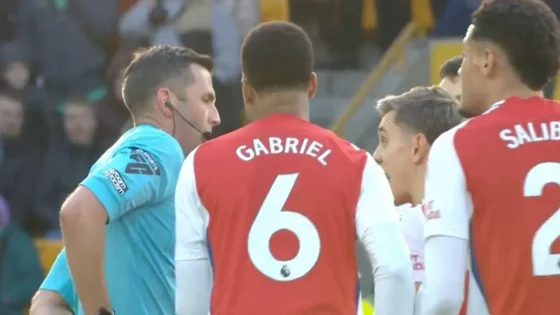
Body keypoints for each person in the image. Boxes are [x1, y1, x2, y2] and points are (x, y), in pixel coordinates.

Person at [174, 21, 414, 315]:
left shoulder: (200, 165)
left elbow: (191, 290)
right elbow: (396, 270)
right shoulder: (358, 165)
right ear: (312, 85)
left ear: (246, 90)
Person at [29, 45, 220, 315]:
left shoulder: (111, 176)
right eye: (206, 100)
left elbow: (48, 301)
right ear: (167, 101)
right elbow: (78, 212)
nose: (216, 116)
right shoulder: (160, 146)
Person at [420, 1, 560, 314]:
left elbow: (444, 295)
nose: (460, 69)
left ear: (487, 60)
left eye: (465, 56)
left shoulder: (457, 144)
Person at [372, 86, 462, 288]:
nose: (376, 156)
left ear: (417, 147)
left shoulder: (409, 225)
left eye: (384, 140)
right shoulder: (471, 218)